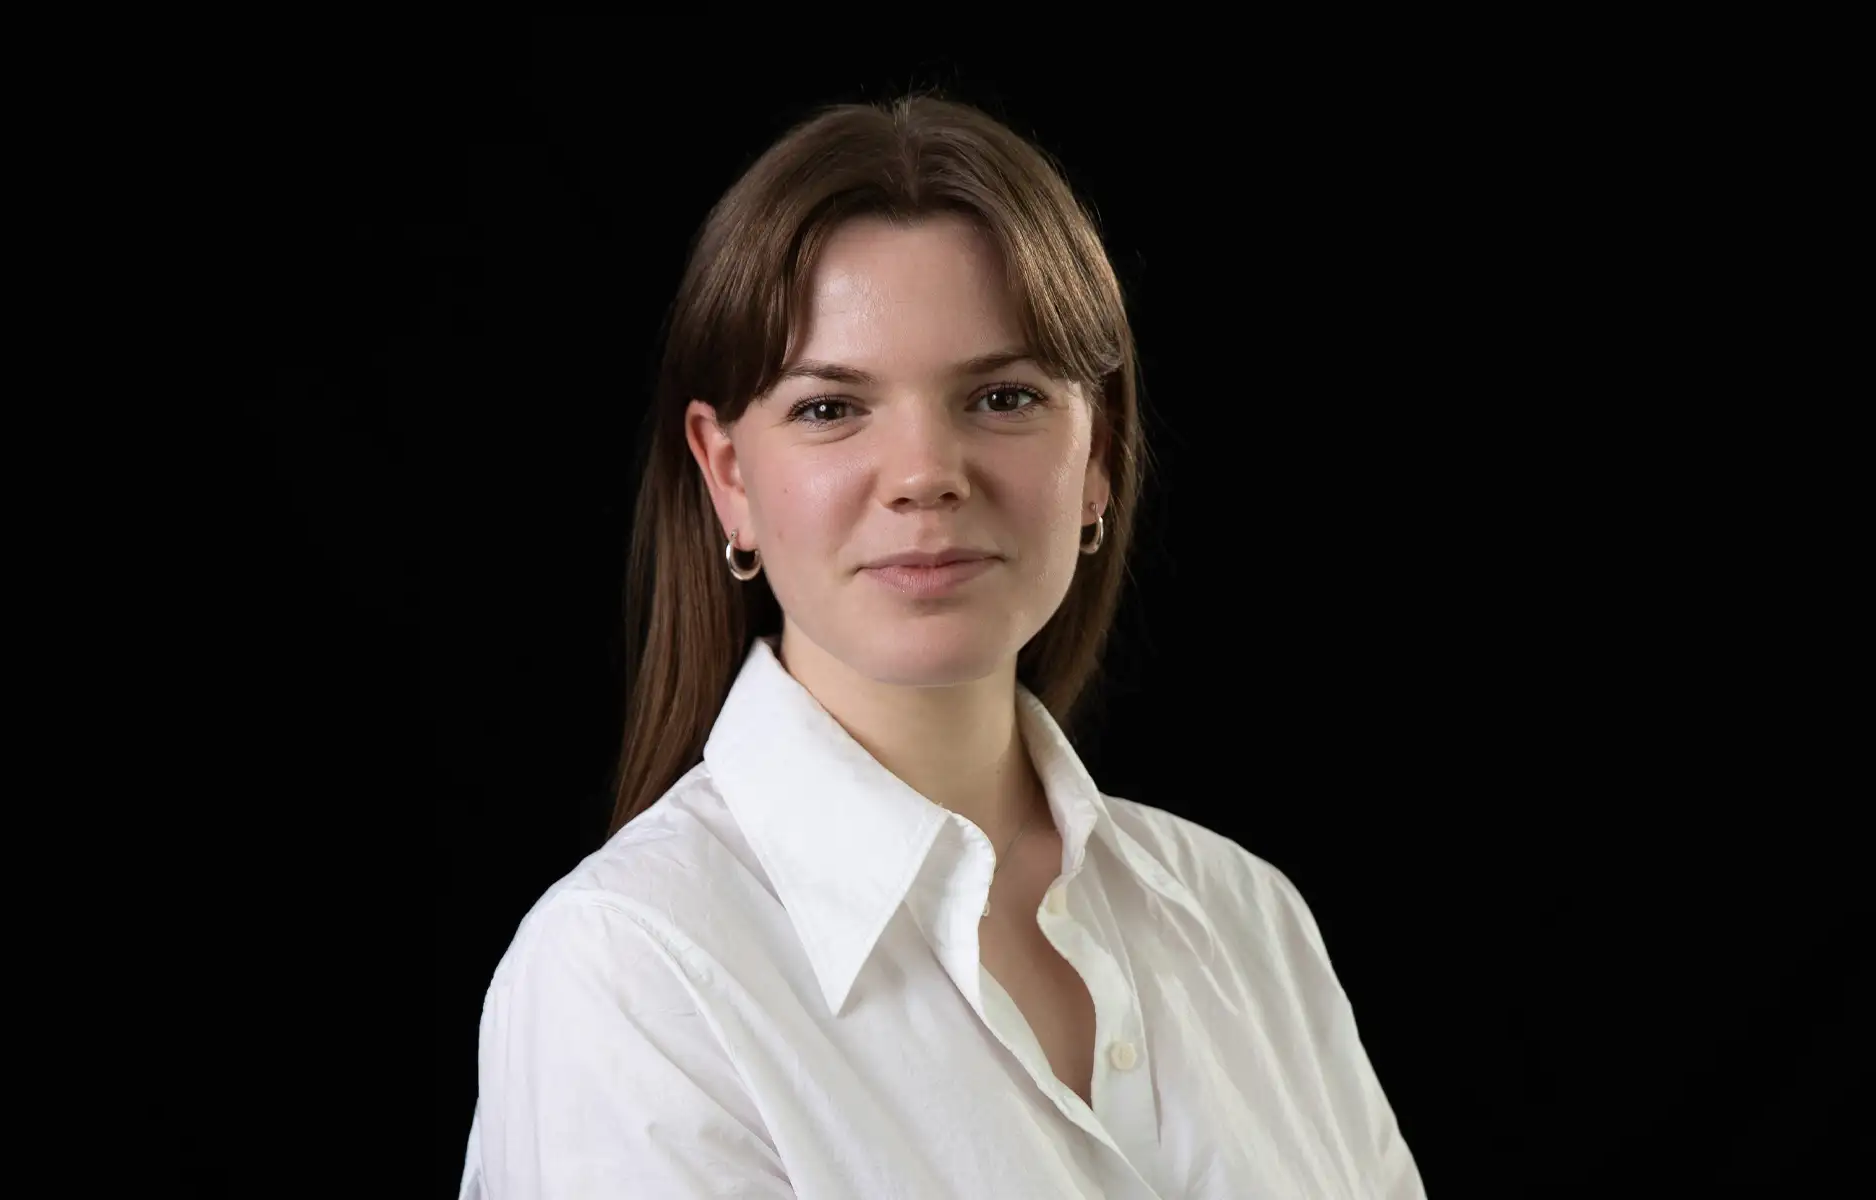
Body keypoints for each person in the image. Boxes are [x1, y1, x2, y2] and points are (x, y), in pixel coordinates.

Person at [458, 92, 1424, 1199]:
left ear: (1099, 450)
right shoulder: (633, 973)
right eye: (831, 409)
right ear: (727, 475)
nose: (926, 472)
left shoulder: (1248, 923)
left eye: (1002, 396)